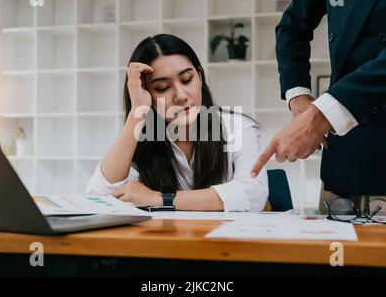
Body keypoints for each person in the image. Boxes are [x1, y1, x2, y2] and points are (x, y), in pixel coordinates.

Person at [251, 0, 386, 211]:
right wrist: (298, 95)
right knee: (331, 248)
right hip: (340, 165)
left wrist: (321, 115)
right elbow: (291, 27)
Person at [87, 34, 268, 212]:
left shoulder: (237, 127)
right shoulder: (141, 137)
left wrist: (159, 199)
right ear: (146, 93)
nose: (181, 96)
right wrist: (137, 111)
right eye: (162, 88)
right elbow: (99, 197)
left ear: (200, 77)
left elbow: (253, 194)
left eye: (187, 79)